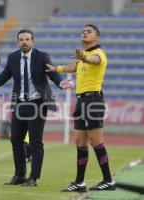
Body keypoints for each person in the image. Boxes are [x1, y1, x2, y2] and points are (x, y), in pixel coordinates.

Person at [0, 29, 73, 187]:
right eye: (21, 39)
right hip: (20, 104)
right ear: (18, 42)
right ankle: (20, 175)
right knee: (15, 140)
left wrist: (62, 83)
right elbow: (3, 76)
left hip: (37, 104)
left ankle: (33, 178)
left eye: (27, 39)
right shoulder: (13, 57)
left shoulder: (42, 56)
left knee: (35, 142)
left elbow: (52, 73)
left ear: (32, 41)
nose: (24, 42)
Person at [46, 24, 116, 192]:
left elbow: (92, 60)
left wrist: (83, 57)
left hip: (93, 100)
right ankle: (79, 182)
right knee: (80, 142)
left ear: (96, 38)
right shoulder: (85, 56)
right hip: (81, 101)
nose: (84, 33)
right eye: (83, 31)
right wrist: (56, 69)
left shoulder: (98, 54)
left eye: (89, 31)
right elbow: (75, 66)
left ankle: (108, 180)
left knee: (96, 141)